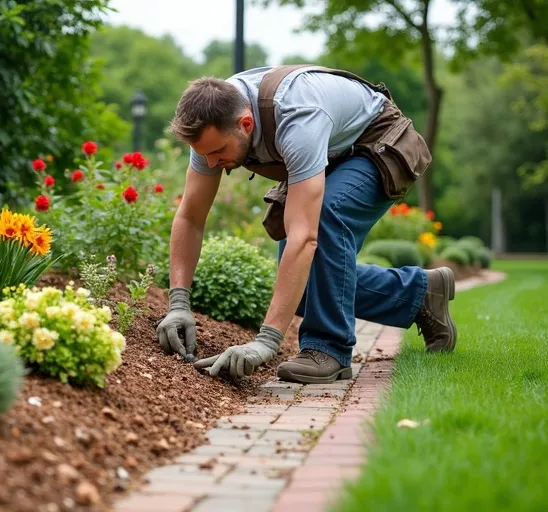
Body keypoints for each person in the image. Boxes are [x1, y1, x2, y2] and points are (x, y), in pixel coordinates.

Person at [155, 64, 457, 384]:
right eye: (205, 155)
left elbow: (305, 238)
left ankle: (328, 349)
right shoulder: (211, 126)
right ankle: (418, 292)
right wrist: (178, 303)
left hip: (375, 141)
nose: (212, 163)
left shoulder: (297, 116)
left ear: (245, 124)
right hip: (327, 149)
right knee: (299, 291)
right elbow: (190, 216)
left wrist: (266, 342)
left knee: (326, 216)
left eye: (218, 152)